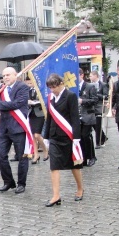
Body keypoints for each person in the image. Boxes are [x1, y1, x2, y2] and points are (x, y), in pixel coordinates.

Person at [0, 67, 32, 194]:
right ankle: (8, 181)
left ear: (15, 75)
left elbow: (17, 103)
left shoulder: (22, 87)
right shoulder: (2, 88)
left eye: (8, 75)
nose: (5, 77)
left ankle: (21, 183)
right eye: (4, 75)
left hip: (18, 127)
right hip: (4, 127)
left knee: (22, 157)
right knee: (0, 155)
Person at [42, 74, 84, 207]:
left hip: (68, 136)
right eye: (50, 88)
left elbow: (75, 117)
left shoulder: (70, 96)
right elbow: (49, 118)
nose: (52, 90)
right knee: (54, 166)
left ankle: (80, 188)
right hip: (54, 136)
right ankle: (56, 195)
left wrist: (76, 138)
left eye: (54, 87)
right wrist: (46, 136)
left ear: (61, 84)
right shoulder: (50, 98)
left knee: (74, 165)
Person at [26, 78, 49, 163]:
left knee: (37, 135)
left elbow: (45, 101)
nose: (29, 84)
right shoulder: (27, 91)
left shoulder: (41, 90)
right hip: (31, 113)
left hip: (39, 113)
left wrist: (37, 102)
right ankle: (36, 154)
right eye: (28, 83)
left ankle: (45, 150)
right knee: (32, 136)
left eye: (31, 82)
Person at [78, 69, 97, 166]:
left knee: (86, 136)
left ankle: (92, 157)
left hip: (88, 115)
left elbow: (94, 100)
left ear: (81, 75)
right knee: (80, 137)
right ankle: (83, 158)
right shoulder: (73, 87)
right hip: (78, 116)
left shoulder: (90, 86)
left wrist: (83, 101)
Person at [89, 70, 108, 148]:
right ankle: (103, 137)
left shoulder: (103, 85)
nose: (90, 77)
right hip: (92, 106)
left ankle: (98, 142)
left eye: (91, 76)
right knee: (94, 124)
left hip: (99, 106)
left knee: (98, 124)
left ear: (95, 76)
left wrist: (97, 94)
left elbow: (105, 96)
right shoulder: (89, 85)